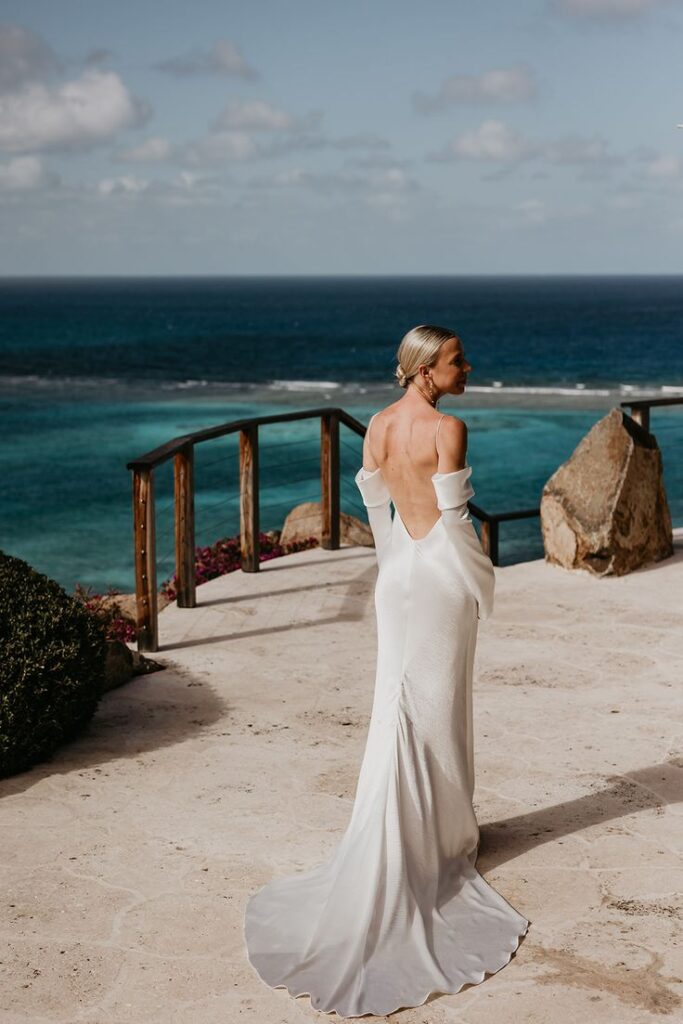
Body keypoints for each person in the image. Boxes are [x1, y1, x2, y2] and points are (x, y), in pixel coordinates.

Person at [244, 324, 530, 1017]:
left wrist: (394, 574)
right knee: (435, 703)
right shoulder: (448, 429)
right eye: (459, 358)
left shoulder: (374, 427)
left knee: (398, 701)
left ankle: (417, 831)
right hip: (436, 576)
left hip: (397, 575)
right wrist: (480, 586)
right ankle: (438, 840)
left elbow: (380, 519)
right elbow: (457, 525)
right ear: (427, 369)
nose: (470, 366)